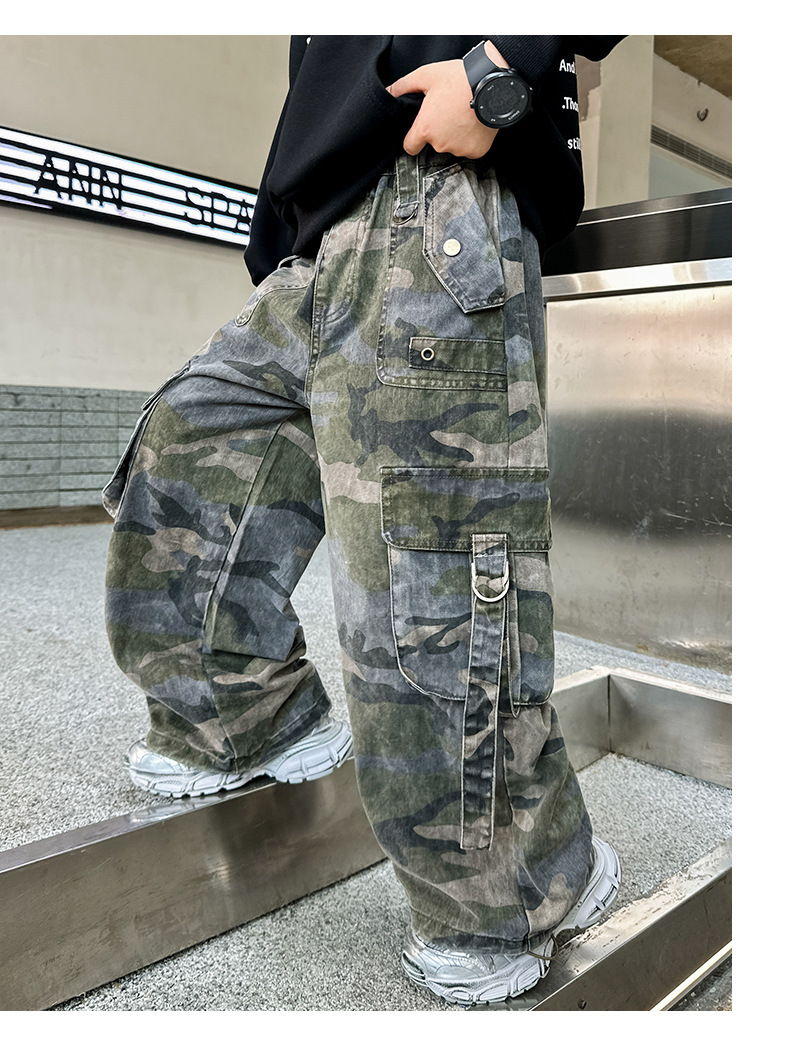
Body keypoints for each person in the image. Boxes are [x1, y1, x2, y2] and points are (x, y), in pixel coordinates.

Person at [103, 34, 624, 1006]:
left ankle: (507, 892)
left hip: (439, 203)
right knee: (185, 448)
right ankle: (245, 715)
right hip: (315, 246)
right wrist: (281, 229)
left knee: (424, 580)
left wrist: (501, 67)